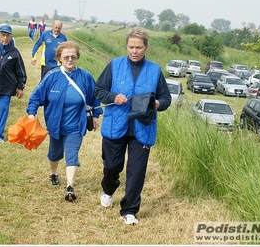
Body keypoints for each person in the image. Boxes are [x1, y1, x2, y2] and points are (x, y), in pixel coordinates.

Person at [94, 27, 171, 225]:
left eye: (138, 47)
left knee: (136, 171)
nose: (134, 51)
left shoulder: (155, 71)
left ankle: (129, 211)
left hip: (143, 128)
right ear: (126, 46)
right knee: (111, 166)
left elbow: (166, 98)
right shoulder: (114, 65)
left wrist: (157, 104)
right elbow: (98, 90)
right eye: (131, 47)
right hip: (115, 124)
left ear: (146, 48)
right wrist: (113, 96)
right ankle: (109, 189)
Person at [26, 41, 103, 202]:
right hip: (55, 125)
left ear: (77, 58)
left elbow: (94, 98)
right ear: (59, 58)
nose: (70, 60)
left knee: (72, 154)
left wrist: (96, 114)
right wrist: (31, 114)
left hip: (76, 125)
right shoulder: (52, 76)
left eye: (73, 57)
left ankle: (69, 187)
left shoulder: (85, 77)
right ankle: (53, 173)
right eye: (66, 57)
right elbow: (36, 97)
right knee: (55, 153)